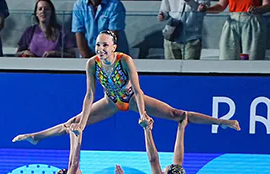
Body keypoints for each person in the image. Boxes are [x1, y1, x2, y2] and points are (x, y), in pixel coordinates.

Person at [12, 31, 240, 145]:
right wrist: (82, 121)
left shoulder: (124, 60)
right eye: (98, 44)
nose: (100, 48)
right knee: (74, 123)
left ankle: (222, 122)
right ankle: (37, 136)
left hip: (131, 99)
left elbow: (139, 91)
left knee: (176, 114)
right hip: (110, 103)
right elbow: (90, 94)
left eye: (105, 45)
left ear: (114, 46)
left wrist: (142, 114)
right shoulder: (92, 63)